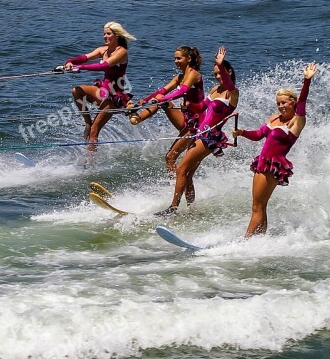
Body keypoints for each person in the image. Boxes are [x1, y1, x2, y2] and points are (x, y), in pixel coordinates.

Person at [232, 62, 318, 238]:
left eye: (284, 103)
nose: (281, 106)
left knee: (257, 207)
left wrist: (306, 81)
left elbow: (302, 102)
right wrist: (241, 133)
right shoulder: (274, 118)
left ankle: (246, 241)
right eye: (278, 103)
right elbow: (257, 135)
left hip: (273, 166)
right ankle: (258, 240)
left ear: (292, 103)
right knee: (259, 206)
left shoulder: (297, 122)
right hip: (261, 163)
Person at [156, 46, 239, 216]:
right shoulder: (215, 90)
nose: (217, 76)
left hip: (210, 137)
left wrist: (220, 64)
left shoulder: (232, 93)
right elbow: (201, 107)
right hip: (199, 133)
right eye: (215, 73)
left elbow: (229, 84)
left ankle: (173, 208)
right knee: (187, 175)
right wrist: (189, 105)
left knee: (181, 169)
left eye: (220, 73)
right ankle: (192, 210)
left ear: (228, 72)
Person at [128, 45, 205, 176]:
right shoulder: (179, 77)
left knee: (170, 157)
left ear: (189, 58)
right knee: (160, 97)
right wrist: (145, 100)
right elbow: (162, 91)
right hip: (186, 119)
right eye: (174, 59)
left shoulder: (194, 74)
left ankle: (172, 187)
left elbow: (183, 90)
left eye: (179, 58)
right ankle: (137, 119)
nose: (176, 61)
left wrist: (160, 100)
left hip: (197, 124)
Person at [63, 22, 136, 150]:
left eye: (108, 34)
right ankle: (87, 122)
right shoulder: (103, 50)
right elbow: (84, 58)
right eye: (104, 34)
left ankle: (90, 164)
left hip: (113, 96)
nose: (105, 36)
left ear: (117, 35)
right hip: (102, 91)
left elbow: (103, 66)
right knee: (76, 91)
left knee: (94, 131)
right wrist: (70, 62)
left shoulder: (121, 52)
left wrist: (78, 67)